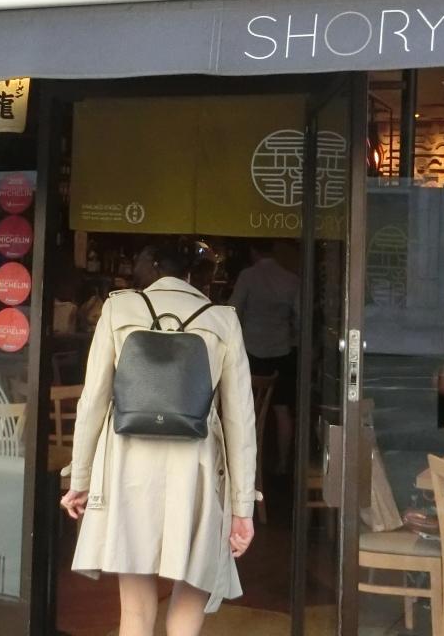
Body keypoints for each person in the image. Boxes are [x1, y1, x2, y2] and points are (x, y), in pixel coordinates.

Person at [61, 243, 258, 636]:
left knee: (134, 611)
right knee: (192, 593)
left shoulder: (118, 309)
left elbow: (93, 401)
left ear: (152, 267)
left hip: (128, 465)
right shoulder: (222, 319)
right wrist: (242, 507)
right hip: (197, 470)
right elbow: (241, 420)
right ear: (189, 274)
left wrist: (80, 480)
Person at [229, 240, 299, 473]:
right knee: (282, 410)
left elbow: (233, 310)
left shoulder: (248, 276)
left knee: (245, 409)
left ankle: (245, 465)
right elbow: (300, 317)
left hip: (251, 351)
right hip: (282, 349)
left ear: (252, 250)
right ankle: (283, 464)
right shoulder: (291, 279)